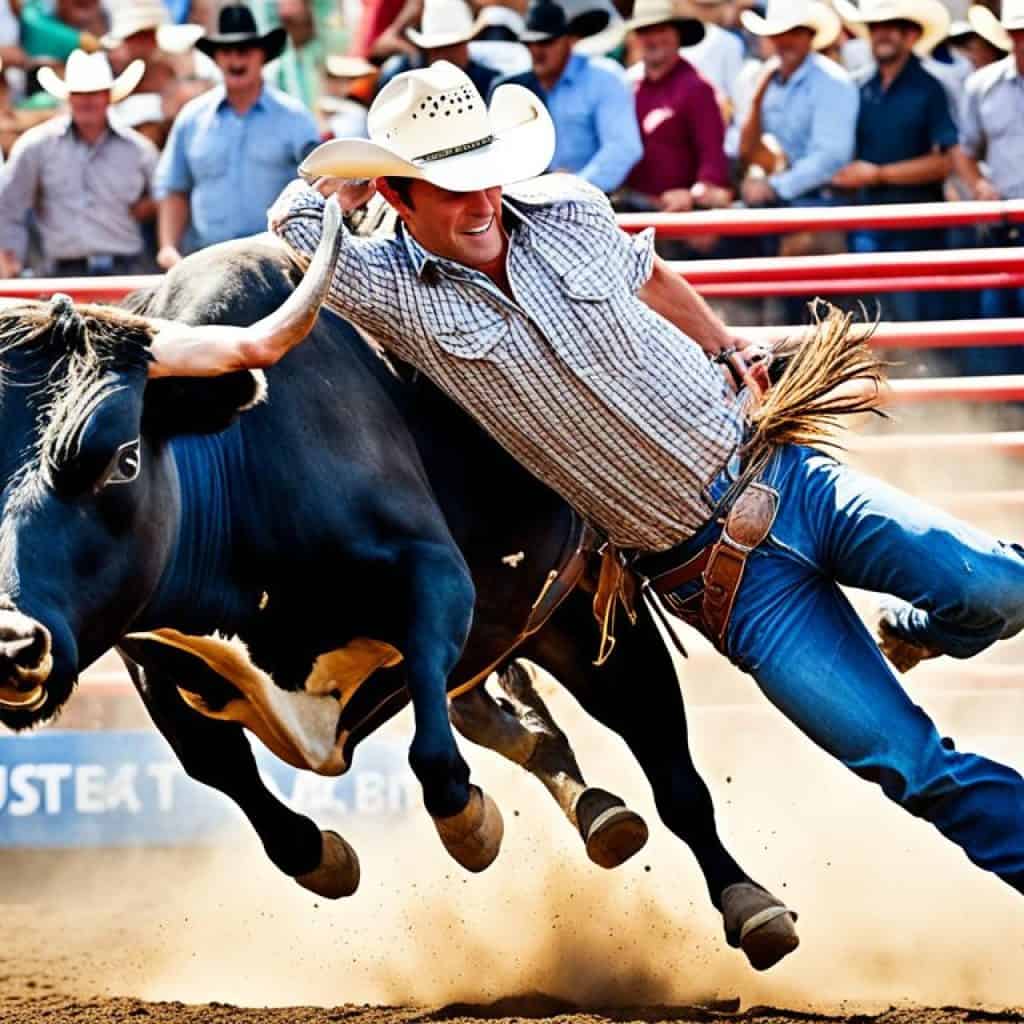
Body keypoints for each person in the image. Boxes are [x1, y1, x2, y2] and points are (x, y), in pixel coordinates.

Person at [149, 60, 1024, 896]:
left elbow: (647, 271)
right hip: (721, 584)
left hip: (788, 479)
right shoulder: (388, 288)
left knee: (996, 585)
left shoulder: (567, 209)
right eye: (448, 185)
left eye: (487, 174)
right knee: (910, 767)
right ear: (397, 196)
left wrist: (723, 344)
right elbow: (292, 222)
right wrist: (352, 173)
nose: (483, 200)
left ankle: (918, 627)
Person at [154, 2, 320, 268]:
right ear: (216, 58)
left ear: (261, 56)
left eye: (244, 50)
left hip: (277, 265)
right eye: (226, 51)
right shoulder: (191, 118)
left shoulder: (295, 119)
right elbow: (175, 189)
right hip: (205, 263)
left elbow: (319, 188)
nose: (235, 60)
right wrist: (168, 248)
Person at [831, 0, 957, 322]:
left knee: (914, 313)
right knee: (867, 313)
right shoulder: (857, 86)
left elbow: (943, 163)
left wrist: (878, 174)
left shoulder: (932, 88)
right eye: (875, 28)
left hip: (917, 224)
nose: (881, 35)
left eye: (890, 28)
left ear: (911, 35)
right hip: (866, 219)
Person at [0, 49, 157, 277]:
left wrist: (149, 208)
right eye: (79, 94)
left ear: (108, 97)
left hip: (126, 268)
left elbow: (166, 199)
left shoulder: (139, 150)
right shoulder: (36, 146)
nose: (87, 101)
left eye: (94, 93)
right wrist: (10, 256)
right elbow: (10, 205)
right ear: (69, 97)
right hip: (61, 271)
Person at [492, 0, 643, 193]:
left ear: (570, 40)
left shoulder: (603, 77)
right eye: (529, 43)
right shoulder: (513, 86)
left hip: (597, 201)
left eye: (546, 41)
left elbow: (623, 148)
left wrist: (573, 188)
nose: (536, 50)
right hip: (529, 201)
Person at [615, 0, 732, 235]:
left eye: (661, 29)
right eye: (645, 31)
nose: (653, 38)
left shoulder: (697, 88)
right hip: (630, 210)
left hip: (677, 217)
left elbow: (713, 159)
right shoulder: (627, 85)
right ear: (636, 38)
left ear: (677, 35)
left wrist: (693, 195)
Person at [732, 0, 857, 208]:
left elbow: (831, 157)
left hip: (824, 198)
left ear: (811, 36)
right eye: (778, 33)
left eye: (795, 33)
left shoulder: (832, 81)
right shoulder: (762, 77)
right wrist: (757, 98)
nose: (785, 41)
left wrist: (774, 185)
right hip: (780, 194)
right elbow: (746, 150)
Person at [952, 0, 1024, 361]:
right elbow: (965, 151)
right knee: (995, 313)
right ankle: (1003, 410)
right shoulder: (981, 86)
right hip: (1002, 221)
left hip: (1008, 218)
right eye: (1019, 34)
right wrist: (979, 184)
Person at [375, 0, 501, 100]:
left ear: (466, 45)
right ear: (429, 51)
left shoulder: (490, 82)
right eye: (438, 48)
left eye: (453, 46)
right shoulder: (403, 80)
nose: (446, 55)